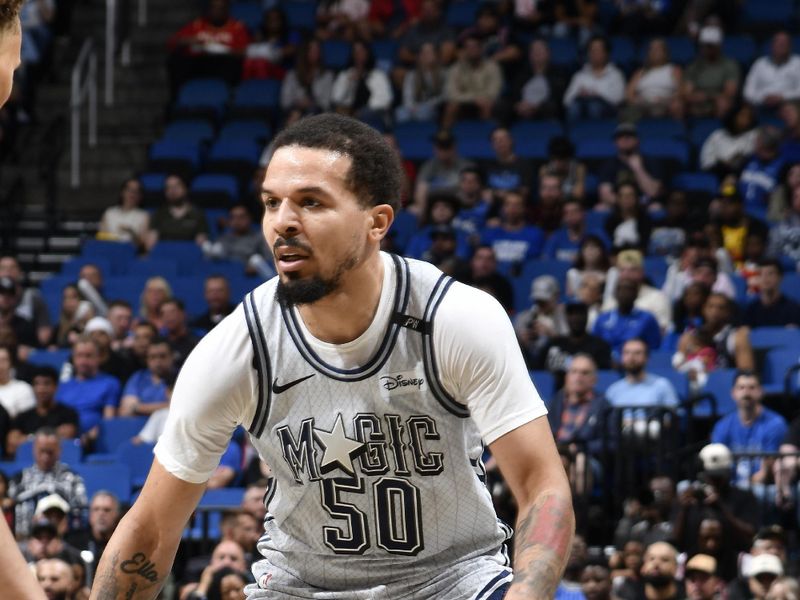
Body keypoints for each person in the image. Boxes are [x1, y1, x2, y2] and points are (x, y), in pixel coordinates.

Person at [90, 113, 573, 599]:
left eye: (311, 202)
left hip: (454, 581)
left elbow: (542, 487)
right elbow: (151, 529)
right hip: (300, 587)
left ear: (377, 222)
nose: (283, 222)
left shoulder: (454, 317)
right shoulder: (240, 348)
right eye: (271, 203)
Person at [711, 371, 788, 487]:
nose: (746, 392)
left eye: (752, 388)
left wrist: (741, 489)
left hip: (762, 487)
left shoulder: (775, 424)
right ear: (733, 393)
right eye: (741, 388)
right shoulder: (722, 426)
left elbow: (767, 472)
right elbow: (716, 463)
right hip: (729, 486)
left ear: (761, 392)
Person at [8, 427, 87, 539]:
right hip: (23, 542)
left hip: (61, 542)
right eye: (42, 451)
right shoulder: (19, 479)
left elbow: (81, 514)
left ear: (59, 450)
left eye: (50, 452)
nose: (45, 456)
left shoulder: (72, 478)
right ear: (34, 449)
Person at [54, 336, 120, 446]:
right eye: (79, 356)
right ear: (73, 358)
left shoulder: (110, 383)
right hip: (63, 442)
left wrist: (90, 436)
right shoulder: (62, 386)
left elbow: (109, 420)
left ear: (98, 357)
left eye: (88, 356)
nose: (83, 361)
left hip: (95, 442)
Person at [6, 366, 78, 457]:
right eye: (37, 384)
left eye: (46, 384)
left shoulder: (68, 414)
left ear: (56, 387)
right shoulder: (22, 417)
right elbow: (11, 446)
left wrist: (27, 438)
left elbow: (67, 436)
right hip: (26, 465)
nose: (41, 389)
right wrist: (52, 436)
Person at [597, 123, 664, 210]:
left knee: (656, 208)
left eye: (629, 136)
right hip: (618, 205)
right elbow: (605, 194)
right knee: (601, 209)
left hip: (644, 206)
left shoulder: (651, 162)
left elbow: (653, 192)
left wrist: (638, 168)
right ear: (615, 142)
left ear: (637, 140)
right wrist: (626, 205)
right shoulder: (609, 164)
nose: (625, 139)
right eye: (620, 136)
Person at [441, 35, 503, 129]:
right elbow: (451, 93)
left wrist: (480, 99)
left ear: (481, 49)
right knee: (451, 106)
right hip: (463, 103)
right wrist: (474, 98)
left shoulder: (492, 67)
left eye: (475, 47)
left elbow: (493, 93)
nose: (472, 50)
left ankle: (487, 135)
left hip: (485, 102)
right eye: (468, 48)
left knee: (487, 104)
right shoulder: (455, 68)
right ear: (464, 50)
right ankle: (445, 135)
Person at [593, 279, 662, 362]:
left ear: (636, 294)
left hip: (636, 363)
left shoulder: (647, 319)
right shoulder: (602, 318)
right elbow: (595, 346)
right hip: (606, 364)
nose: (625, 293)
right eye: (621, 289)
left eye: (629, 289)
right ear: (615, 294)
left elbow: (654, 347)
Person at [539, 303, 612, 380]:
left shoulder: (600, 346)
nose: (576, 318)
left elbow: (604, 376)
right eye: (572, 314)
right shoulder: (554, 344)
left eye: (580, 314)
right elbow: (536, 370)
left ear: (587, 317)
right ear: (566, 318)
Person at [64, 491, 120, 587]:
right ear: (90, 514)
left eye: (107, 510)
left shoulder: (123, 543)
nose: (101, 514)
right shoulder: (74, 541)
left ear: (116, 515)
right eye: (96, 509)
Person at [682, 25, 740, 119]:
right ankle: (681, 131)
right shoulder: (694, 66)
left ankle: (719, 130)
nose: (706, 49)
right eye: (704, 45)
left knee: (723, 103)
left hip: (716, 101)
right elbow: (686, 92)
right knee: (677, 104)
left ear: (718, 46)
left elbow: (729, 93)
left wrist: (707, 96)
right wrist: (698, 97)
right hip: (697, 101)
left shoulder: (729, 65)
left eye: (710, 46)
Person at [563, 35, 625, 121]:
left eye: (598, 50)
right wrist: (579, 94)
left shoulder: (615, 74)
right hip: (582, 107)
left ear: (606, 53)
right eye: (592, 50)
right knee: (574, 107)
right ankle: (576, 132)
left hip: (607, 110)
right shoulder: (580, 75)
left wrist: (597, 94)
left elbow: (619, 98)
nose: (595, 53)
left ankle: (595, 132)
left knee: (594, 106)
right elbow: (567, 100)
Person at [623, 38, 683, 121]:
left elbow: (681, 91)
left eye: (658, 49)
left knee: (677, 106)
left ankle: (676, 130)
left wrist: (667, 99)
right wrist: (637, 101)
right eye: (652, 49)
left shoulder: (674, 70)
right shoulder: (640, 72)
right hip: (643, 103)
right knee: (628, 111)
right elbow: (629, 94)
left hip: (666, 101)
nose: (654, 52)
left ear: (665, 52)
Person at [146, 174, 209, 250]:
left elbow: (201, 242)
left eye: (176, 186)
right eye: (168, 188)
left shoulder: (197, 214)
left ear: (185, 189)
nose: (172, 190)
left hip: (188, 255)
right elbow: (151, 242)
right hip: (165, 256)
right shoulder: (159, 214)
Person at [744, 31, 800, 110]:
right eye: (778, 42)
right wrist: (763, 99)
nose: (781, 45)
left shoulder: (798, 63)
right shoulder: (759, 63)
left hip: (789, 105)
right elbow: (748, 93)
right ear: (772, 45)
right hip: (760, 106)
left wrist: (782, 97)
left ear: (790, 46)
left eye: (784, 43)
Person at [119, 338, 174, 417]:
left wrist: (138, 407)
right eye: (153, 357)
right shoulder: (138, 378)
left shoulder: (181, 377)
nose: (158, 361)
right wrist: (165, 406)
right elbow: (126, 410)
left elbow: (178, 409)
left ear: (172, 357)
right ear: (147, 359)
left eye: (162, 356)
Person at [700, 102, 758, 175]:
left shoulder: (754, 136)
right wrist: (722, 165)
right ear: (734, 115)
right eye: (742, 115)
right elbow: (706, 162)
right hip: (716, 174)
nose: (745, 120)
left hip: (741, 176)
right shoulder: (717, 135)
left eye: (748, 117)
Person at [744, 259, 800, 328]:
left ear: (780, 277)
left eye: (770, 273)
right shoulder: (751, 310)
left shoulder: (793, 309)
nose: (765, 278)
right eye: (760, 274)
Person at [98, 178, 150, 249]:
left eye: (136, 191)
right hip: (110, 251)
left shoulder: (144, 215)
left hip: (132, 254)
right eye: (129, 190)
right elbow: (101, 238)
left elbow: (144, 245)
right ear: (122, 192)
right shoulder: (109, 213)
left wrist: (131, 232)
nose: (132, 194)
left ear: (140, 195)